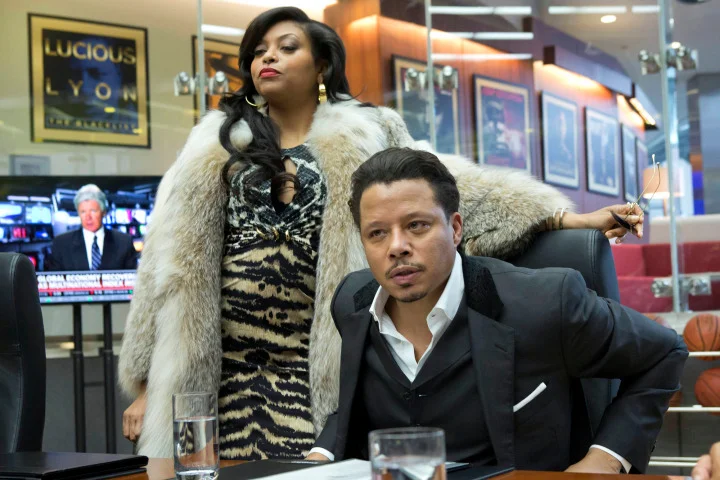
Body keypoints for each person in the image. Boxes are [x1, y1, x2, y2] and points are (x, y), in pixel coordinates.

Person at [118, 6, 645, 459]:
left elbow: (448, 190)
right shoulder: (212, 146)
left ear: (321, 64)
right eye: (258, 52)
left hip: (314, 372)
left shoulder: (369, 131)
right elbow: (166, 264)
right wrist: (145, 382)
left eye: (286, 47)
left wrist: (561, 217)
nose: (267, 58)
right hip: (218, 378)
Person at [308, 148, 687, 472]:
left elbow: (664, 351)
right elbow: (358, 402)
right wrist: (318, 458)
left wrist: (603, 460)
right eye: (377, 233)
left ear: (456, 229)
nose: (396, 247)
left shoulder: (545, 303)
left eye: (417, 226)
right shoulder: (352, 302)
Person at [47, 184, 137, 271]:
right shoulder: (61, 244)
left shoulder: (124, 242)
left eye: (93, 211)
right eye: (83, 212)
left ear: (103, 212)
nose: (88, 217)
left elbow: (133, 279)